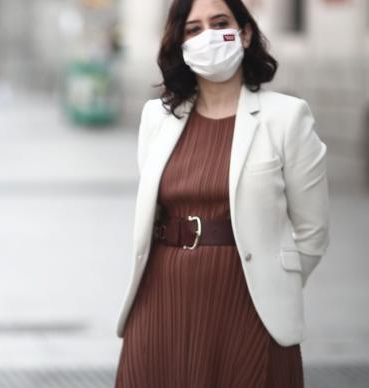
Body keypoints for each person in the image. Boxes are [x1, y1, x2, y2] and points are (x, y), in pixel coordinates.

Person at [115, 0, 329, 387]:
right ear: (180, 44)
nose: (208, 37)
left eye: (220, 23)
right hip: (161, 301)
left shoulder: (287, 117)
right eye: (193, 29)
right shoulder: (156, 119)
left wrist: (274, 282)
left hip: (251, 306)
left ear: (245, 34)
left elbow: (313, 233)